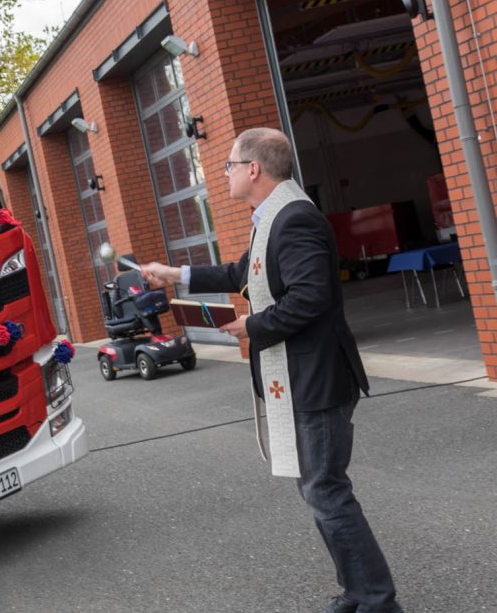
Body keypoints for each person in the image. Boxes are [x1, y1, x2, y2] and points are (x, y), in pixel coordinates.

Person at [142, 128, 401, 613]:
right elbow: (241, 273)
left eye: (229, 166)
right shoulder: (273, 216)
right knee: (320, 490)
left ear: (254, 168)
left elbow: (310, 298)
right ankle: (359, 593)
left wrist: (252, 326)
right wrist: (175, 275)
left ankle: (377, 601)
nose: (224, 174)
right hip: (306, 376)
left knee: (326, 491)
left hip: (318, 378)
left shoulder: (294, 218)